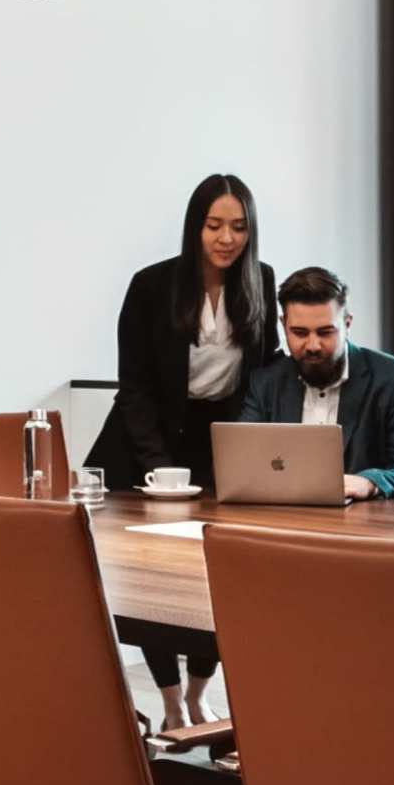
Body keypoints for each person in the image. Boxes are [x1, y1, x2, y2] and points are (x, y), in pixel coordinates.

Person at [92, 173, 270, 729]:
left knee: (216, 569)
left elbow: (261, 381)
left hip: (221, 433)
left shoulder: (260, 281)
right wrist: (157, 466)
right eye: (214, 225)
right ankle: (169, 701)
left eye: (238, 227)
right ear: (195, 227)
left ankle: (199, 693)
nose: (226, 238)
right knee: (153, 577)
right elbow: (135, 387)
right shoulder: (151, 285)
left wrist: (242, 450)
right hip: (146, 437)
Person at [232, 265, 394, 501]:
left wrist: (369, 483)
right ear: (283, 324)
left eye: (325, 332)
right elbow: (240, 466)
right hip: (283, 522)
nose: (313, 345)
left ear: (347, 324)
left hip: (363, 527)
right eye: (299, 332)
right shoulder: (267, 382)